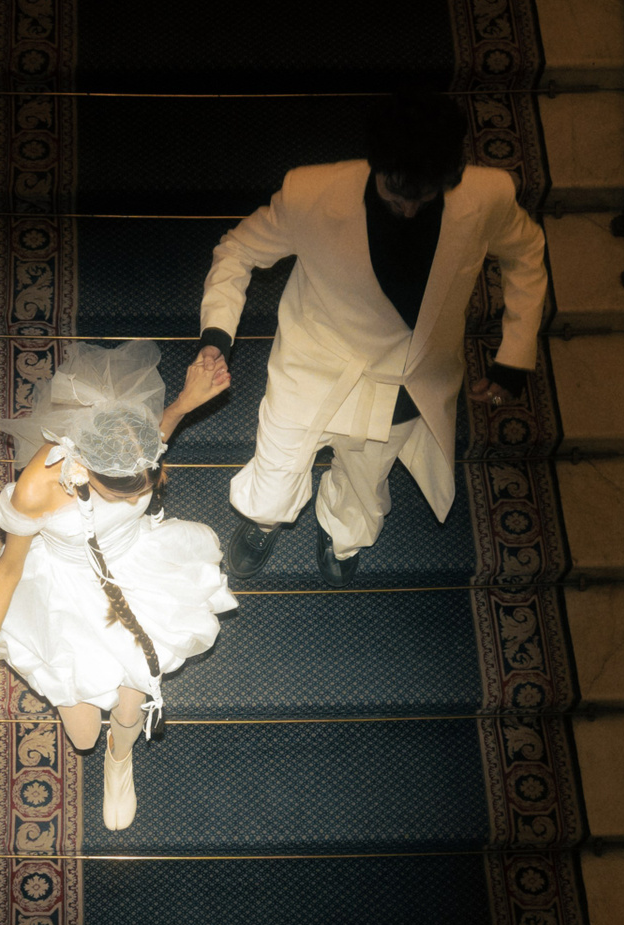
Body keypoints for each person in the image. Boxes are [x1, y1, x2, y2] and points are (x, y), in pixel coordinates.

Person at [198, 92, 548, 586]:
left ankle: (342, 534)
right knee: (278, 465)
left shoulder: (489, 195)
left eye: (424, 197)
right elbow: (237, 250)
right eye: (396, 194)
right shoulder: (309, 192)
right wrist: (216, 333)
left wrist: (514, 354)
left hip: (407, 380)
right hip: (313, 364)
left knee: (366, 478)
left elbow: (526, 252)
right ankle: (265, 521)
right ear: (375, 164)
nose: (409, 211)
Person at [0, 339, 236, 831]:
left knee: (133, 703)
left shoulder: (130, 441)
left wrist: (183, 403)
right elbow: (7, 570)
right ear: (85, 467)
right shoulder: (36, 488)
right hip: (65, 590)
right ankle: (101, 739)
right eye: (121, 492)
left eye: (144, 484)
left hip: (137, 571)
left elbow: (158, 433)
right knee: (83, 735)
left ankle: (120, 758)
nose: (137, 496)